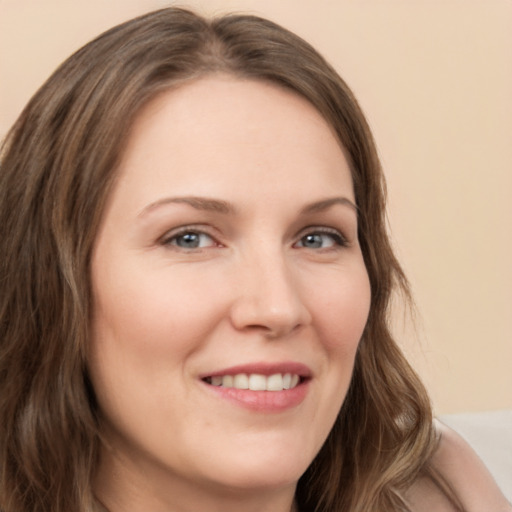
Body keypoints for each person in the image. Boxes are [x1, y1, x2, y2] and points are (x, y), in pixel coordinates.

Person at [0, 7, 509, 512]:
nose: (278, 307)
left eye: (317, 238)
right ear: (50, 279)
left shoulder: (437, 491)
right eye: (190, 239)